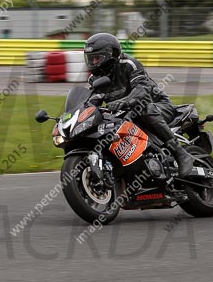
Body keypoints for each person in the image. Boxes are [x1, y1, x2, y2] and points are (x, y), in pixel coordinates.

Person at [83, 32, 196, 178]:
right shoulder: (94, 79)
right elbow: (91, 102)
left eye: (97, 58)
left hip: (158, 106)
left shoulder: (129, 64)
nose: (93, 63)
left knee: (141, 107)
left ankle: (180, 154)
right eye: (90, 59)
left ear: (111, 54)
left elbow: (142, 91)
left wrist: (123, 102)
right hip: (126, 115)